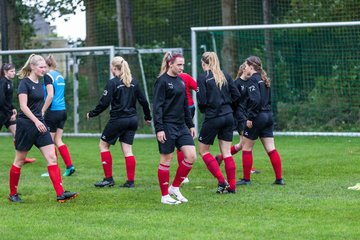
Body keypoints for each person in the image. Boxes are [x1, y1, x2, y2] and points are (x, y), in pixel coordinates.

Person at [8, 54, 78, 202]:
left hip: (40, 124)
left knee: (52, 157)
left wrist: (41, 115)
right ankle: (13, 194)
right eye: (41, 67)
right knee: (19, 160)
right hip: (26, 125)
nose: (44, 69)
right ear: (32, 67)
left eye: (45, 67)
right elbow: (23, 106)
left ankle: (60, 194)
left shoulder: (42, 81)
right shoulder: (24, 83)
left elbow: (49, 97)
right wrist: (36, 120)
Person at [87, 56, 152, 188]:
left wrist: (92, 113)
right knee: (128, 151)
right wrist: (147, 116)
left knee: (103, 145)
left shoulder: (113, 83)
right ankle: (130, 182)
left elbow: (104, 103)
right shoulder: (134, 82)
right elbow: (144, 101)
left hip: (118, 120)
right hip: (133, 120)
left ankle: (108, 179)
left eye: (111, 67)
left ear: (114, 68)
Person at [153, 52, 197, 204]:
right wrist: (159, 128)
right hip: (166, 126)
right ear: (170, 64)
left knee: (191, 156)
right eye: (179, 65)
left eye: (183, 65)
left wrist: (190, 124)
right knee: (167, 159)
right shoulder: (162, 81)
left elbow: (185, 105)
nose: (181, 67)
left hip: (181, 126)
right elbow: (157, 107)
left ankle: (175, 188)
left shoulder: (181, 81)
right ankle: (164, 196)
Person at [237, 56, 284, 186]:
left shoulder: (253, 80)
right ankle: (279, 179)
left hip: (258, 116)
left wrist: (250, 117)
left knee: (246, 147)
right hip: (268, 115)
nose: (244, 68)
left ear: (251, 67)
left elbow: (255, 100)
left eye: (246, 65)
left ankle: (246, 180)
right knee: (271, 148)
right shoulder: (264, 79)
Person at [196, 51, 240, 193]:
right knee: (226, 152)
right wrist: (229, 109)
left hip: (213, 117)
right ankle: (232, 186)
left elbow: (202, 101)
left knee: (203, 150)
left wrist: (205, 109)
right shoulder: (225, 75)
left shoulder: (203, 78)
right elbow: (236, 95)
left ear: (203, 63)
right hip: (228, 116)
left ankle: (221, 181)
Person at [214, 63, 260, 174]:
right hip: (240, 116)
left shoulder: (251, 83)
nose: (251, 71)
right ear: (243, 70)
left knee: (243, 144)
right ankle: (249, 168)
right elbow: (233, 101)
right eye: (249, 68)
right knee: (244, 143)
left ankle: (220, 157)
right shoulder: (236, 83)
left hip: (248, 114)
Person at [41, 55, 75, 177]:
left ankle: (53, 170)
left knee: (49, 142)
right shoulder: (59, 75)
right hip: (62, 111)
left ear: (46, 65)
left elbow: (50, 96)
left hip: (53, 112)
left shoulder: (47, 76)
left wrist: (43, 110)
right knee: (58, 140)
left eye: (42, 66)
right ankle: (70, 166)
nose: (41, 69)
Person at [0, 63, 36, 164]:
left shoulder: (9, 82)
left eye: (14, 71)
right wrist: (10, 111)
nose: (14, 73)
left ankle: (21, 158)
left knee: (17, 134)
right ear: (5, 72)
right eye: (11, 71)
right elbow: (1, 100)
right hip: (2, 114)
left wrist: (12, 108)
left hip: (7, 113)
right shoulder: (2, 82)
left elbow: (7, 100)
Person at [176, 72, 197, 184]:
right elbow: (197, 88)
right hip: (190, 107)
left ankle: (183, 176)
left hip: (180, 109)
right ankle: (184, 174)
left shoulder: (166, 78)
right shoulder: (186, 76)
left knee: (180, 139)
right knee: (184, 135)